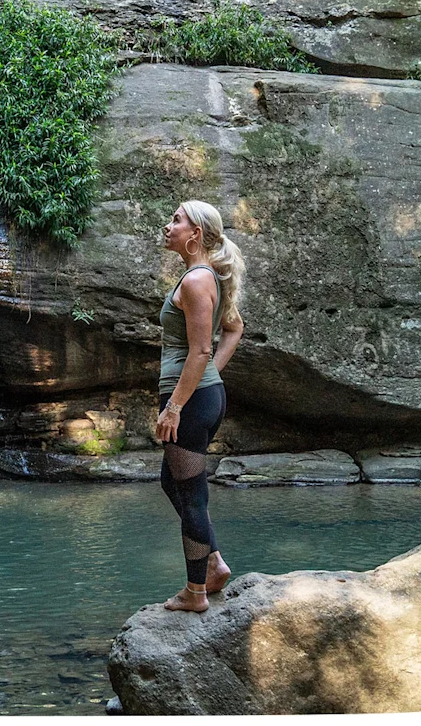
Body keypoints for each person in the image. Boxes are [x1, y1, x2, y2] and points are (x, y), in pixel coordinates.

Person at [155, 200, 246, 612]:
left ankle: (196, 592)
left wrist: (174, 406)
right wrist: (209, 375)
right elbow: (234, 328)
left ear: (196, 234)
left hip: (190, 400)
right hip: (203, 394)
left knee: (191, 494)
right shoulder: (208, 277)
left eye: (177, 220)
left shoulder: (195, 281)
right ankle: (213, 562)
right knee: (172, 481)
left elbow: (198, 352)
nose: (168, 225)